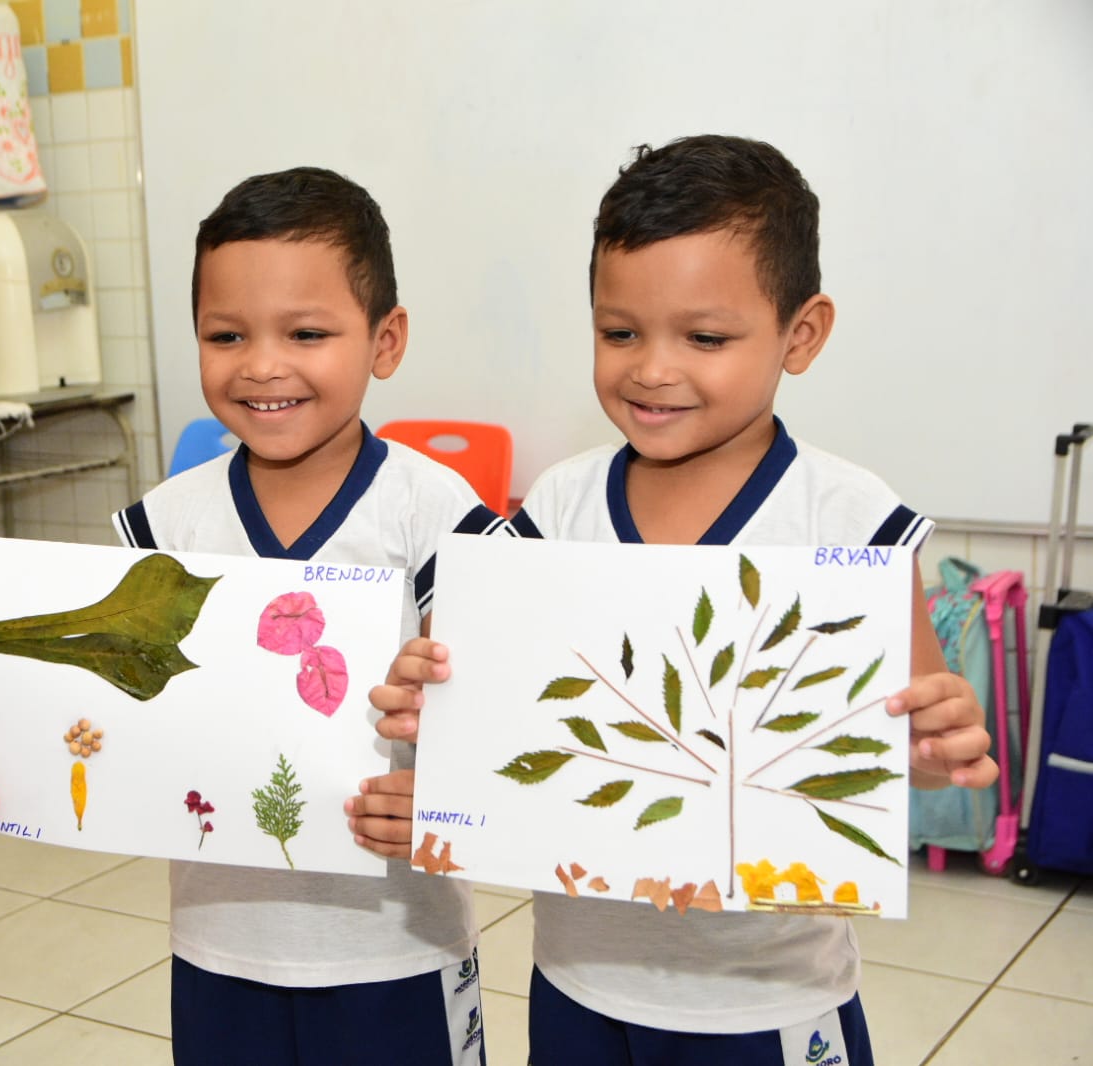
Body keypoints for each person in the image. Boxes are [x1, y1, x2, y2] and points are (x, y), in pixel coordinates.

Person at [362, 135, 1000, 1065]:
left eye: (703, 338)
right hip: (576, 980)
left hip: (764, 1002)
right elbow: (475, 713)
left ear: (801, 333)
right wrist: (428, 699)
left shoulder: (848, 518)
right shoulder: (556, 510)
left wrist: (939, 748)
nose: (651, 368)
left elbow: (915, 758)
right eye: (618, 332)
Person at [0, 166, 514, 1065]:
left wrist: (451, 789)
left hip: (395, 953)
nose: (262, 364)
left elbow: (514, 715)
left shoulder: (435, 514)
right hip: (217, 951)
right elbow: (101, 712)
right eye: (226, 334)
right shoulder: (165, 526)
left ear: (384, 340)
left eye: (307, 332)